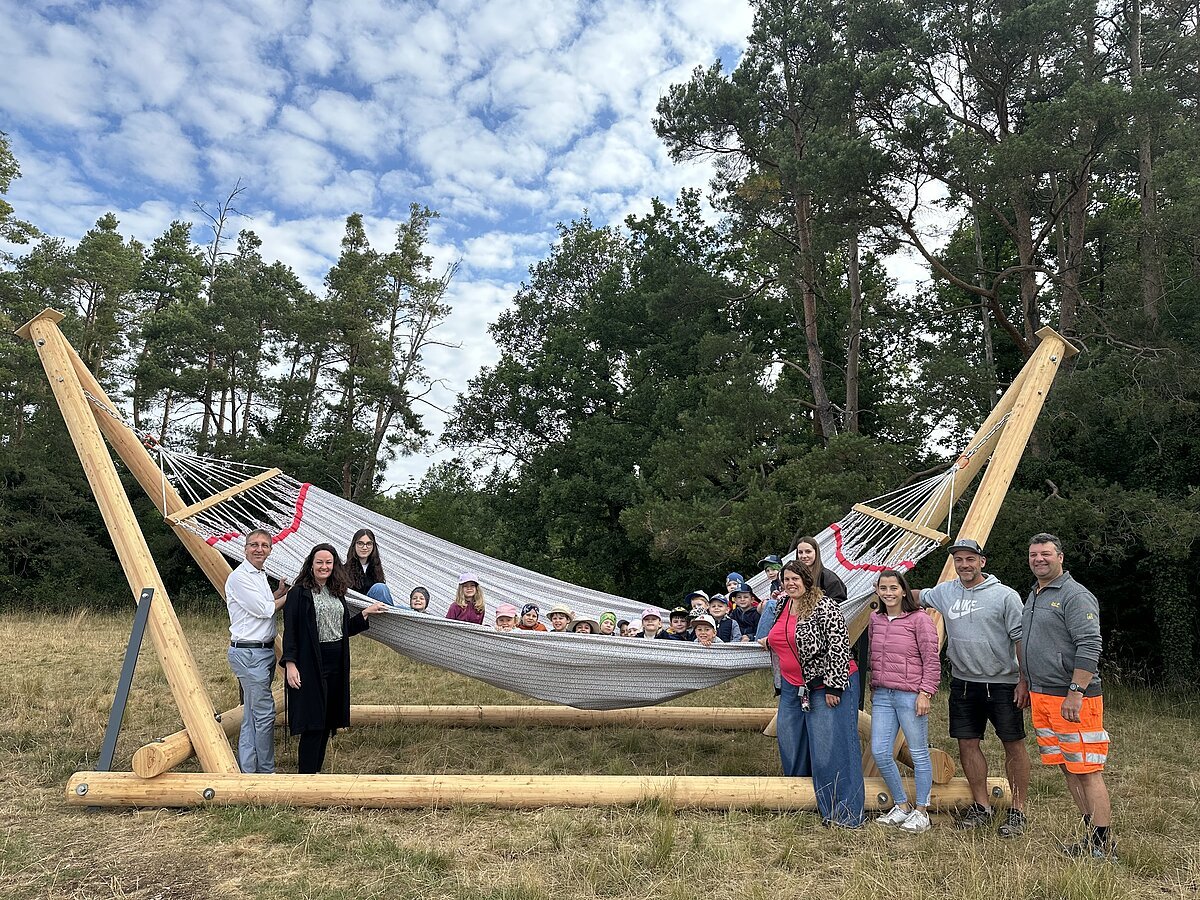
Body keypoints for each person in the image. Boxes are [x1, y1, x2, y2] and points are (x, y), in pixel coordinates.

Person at [916, 538, 1030, 836]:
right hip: (964, 683)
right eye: (959, 560)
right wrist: (881, 590)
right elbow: (915, 595)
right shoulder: (946, 592)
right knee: (967, 744)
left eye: (970, 559)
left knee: (1013, 745)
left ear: (982, 561)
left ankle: (1018, 811)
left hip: (1004, 683)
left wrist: (1024, 680)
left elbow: (1020, 640)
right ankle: (982, 806)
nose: (964, 565)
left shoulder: (1005, 596)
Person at [1022, 533, 1115, 859]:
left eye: (1046, 554)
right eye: (1034, 555)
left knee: (1088, 769)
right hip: (1042, 697)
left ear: (1060, 557)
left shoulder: (1076, 595)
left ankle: (1104, 845)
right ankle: (1091, 835)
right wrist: (1024, 680)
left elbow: (1090, 645)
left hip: (1073, 699)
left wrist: (1076, 691)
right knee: (1067, 766)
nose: (1039, 559)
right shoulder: (1035, 594)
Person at [757, 561, 864, 828]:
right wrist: (768, 641)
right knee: (790, 740)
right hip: (794, 686)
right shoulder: (783, 605)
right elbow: (785, 636)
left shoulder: (824, 606)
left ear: (807, 579)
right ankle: (801, 800)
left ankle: (844, 814)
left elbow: (839, 645)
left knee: (831, 748)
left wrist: (834, 687)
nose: (790, 583)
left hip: (826, 684)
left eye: (796, 578)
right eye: (786, 579)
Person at [282, 543, 386, 774]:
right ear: (311, 564)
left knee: (328, 719)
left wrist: (365, 614)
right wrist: (290, 664)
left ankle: (316, 771)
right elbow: (291, 631)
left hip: (336, 659)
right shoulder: (299, 593)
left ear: (334, 566)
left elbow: (342, 629)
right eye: (319, 562)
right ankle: (306, 775)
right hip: (310, 661)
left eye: (328, 562)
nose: (324, 566)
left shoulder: (337, 592)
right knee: (313, 720)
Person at [869, 570, 939, 834]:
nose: (888, 593)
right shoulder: (875, 619)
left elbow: (931, 659)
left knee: (919, 752)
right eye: (883, 588)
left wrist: (926, 692)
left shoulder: (919, 619)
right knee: (880, 751)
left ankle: (922, 811)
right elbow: (873, 656)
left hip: (911, 694)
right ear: (878, 590)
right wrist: (874, 686)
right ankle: (901, 805)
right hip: (884, 694)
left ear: (903, 590)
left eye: (893, 588)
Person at [224, 528, 289, 774]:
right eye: (254, 545)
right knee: (264, 714)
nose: (259, 549)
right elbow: (264, 610)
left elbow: (259, 604)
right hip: (250, 653)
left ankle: (248, 769)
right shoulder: (240, 577)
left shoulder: (259, 574)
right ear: (245, 548)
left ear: (270, 550)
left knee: (252, 714)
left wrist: (278, 594)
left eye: (264, 545)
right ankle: (266, 772)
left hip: (262, 652)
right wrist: (291, 595)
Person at [343, 528, 395, 606]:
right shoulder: (343, 570)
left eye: (369, 544)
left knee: (409, 610)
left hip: (377, 610)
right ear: (354, 545)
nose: (364, 547)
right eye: (360, 543)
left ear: (373, 546)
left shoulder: (376, 569)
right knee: (380, 588)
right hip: (357, 609)